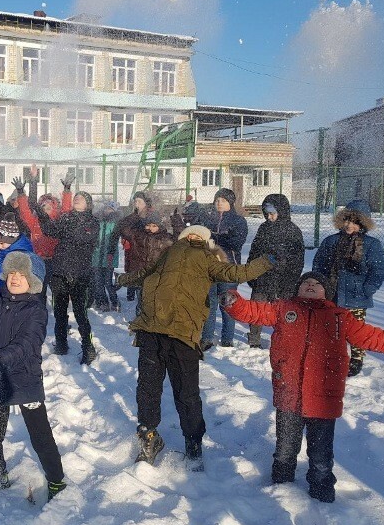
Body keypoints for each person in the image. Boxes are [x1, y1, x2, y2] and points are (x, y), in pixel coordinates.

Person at [223, 272, 384, 503]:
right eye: (306, 282)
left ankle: (321, 490)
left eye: (317, 284)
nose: (311, 284)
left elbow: (380, 338)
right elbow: (253, 311)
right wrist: (235, 302)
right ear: (297, 289)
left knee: (320, 455)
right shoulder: (283, 309)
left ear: (327, 293)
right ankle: (280, 485)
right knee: (285, 450)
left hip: (323, 398)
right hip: (289, 393)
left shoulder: (340, 317)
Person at [116, 225, 274, 470]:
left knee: (186, 392)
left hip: (182, 333)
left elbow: (236, 273)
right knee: (147, 387)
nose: (192, 236)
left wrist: (265, 262)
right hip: (151, 328)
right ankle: (148, 435)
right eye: (188, 234)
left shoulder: (208, 258)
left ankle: (193, 442)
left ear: (205, 241)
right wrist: (123, 279)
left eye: (198, 235)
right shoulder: (168, 254)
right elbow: (146, 271)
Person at [0, 251, 66, 501]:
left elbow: (27, 343)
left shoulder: (36, 310)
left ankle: (55, 479)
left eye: (22, 275)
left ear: (33, 280)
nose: (15, 279)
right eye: (12, 274)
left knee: (40, 434)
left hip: (25, 377)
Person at [312, 199, 384, 376]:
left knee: (356, 329)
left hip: (357, 297)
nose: (349, 225)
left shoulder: (371, 245)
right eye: (346, 220)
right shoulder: (331, 241)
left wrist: (366, 290)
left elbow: (379, 270)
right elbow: (319, 265)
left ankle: (357, 358)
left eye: (354, 221)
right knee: (332, 328)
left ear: (362, 224)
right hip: (333, 294)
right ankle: (335, 355)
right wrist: (322, 288)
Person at [40, 190, 100, 364]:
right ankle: (61, 343)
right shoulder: (65, 218)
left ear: (88, 204)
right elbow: (50, 231)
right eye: (76, 197)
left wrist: (65, 229)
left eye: (81, 198)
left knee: (81, 313)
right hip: (60, 271)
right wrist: (43, 216)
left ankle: (88, 347)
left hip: (80, 273)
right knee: (59, 312)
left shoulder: (93, 221)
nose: (77, 199)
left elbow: (82, 238)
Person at [245, 194, 305, 348]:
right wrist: (250, 272)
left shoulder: (293, 231)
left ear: (282, 212)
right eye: (267, 214)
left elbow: (297, 261)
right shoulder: (264, 228)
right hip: (262, 278)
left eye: (272, 213)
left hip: (282, 281)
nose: (269, 217)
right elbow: (254, 251)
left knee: (281, 313)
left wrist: (289, 282)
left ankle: (283, 338)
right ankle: (254, 338)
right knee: (257, 309)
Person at [15, 165, 73, 302]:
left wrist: (67, 190)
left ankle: (60, 318)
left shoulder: (58, 220)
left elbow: (66, 210)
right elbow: (25, 211)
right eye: (43, 206)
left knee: (59, 293)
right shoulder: (34, 221)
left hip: (56, 260)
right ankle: (38, 313)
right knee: (38, 290)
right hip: (38, 259)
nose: (46, 208)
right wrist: (21, 193)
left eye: (49, 206)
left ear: (54, 207)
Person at [201, 188, 248, 350]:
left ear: (230, 203)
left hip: (228, 269)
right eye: (217, 200)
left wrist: (215, 237)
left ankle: (227, 339)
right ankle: (207, 337)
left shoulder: (238, 221)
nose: (219, 203)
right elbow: (200, 239)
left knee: (227, 303)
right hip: (210, 268)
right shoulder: (208, 220)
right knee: (209, 303)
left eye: (223, 200)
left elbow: (236, 242)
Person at [119, 211, 173, 316]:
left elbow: (179, 239)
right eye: (148, 225)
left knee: (156, 301)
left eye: (154, 226)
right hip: (142, 275)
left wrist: (177, 223)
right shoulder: (138, 235)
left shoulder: (166, 238)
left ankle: (154, 323)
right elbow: (123, 228)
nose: (150, 228)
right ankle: (141, 323)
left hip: (158, 275)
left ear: (159, 226)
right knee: (142, 300)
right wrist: (135, 215)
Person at [109, 191, 152, 303]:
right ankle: (131, 295)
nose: (136, 204)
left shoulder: (151, 216)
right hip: (134, 253)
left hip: (148, 255)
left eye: (139, 201)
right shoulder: (132, 217)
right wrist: (135, 215)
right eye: (135, 201)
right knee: (132, 274)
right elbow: (120, 228)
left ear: (145, 203)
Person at [91, 201, 122, 312]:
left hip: (109, 257)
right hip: (96, 257)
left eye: (110, 209)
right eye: (106, 208)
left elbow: (114, 241)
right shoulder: (97, 222)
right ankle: (103, 302)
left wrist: (111, 253)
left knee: (108, 282)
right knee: (98, 282)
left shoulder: (116, 223)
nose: (107, 211)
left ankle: (115, 302)